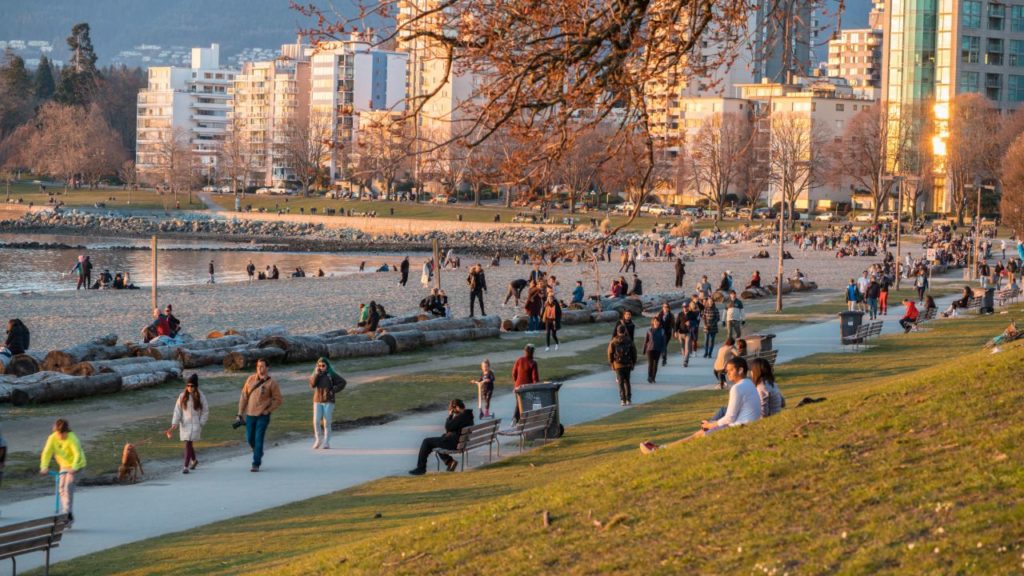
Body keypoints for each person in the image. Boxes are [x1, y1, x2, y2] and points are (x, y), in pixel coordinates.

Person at [639, 357, 760, 453]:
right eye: (727, 371)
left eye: (731, 370)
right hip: (746, 425)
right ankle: (661, 448)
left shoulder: (737, 388)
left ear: (740, 370)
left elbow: (730, 418)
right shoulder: (749, 383)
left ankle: (660, 450)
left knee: (699, 435)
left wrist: (710, 425)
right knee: (699, 433)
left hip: (739, 428)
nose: (728, 374)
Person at [235, 359, 283, 472]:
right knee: (249, 437)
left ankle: (256, 463)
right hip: (250, 414)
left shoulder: (272, 383)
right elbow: (244, 396)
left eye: (262, 366)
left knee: (258, 438)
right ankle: (258, 451)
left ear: (267, 368)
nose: (259, 368)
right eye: (258, 366)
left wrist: (268, 410)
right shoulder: (250, 379)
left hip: (263, 415)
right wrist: (239, 413)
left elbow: (278, 400)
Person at [39, 418, 86, 526]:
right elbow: (47, 452)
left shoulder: (72, 439)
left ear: (67, 431)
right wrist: (44, 467)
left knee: (67, 488)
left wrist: (74, 468)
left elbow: (77, 455)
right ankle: (68, 514)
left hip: (77, 465)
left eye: (63, 434)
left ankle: (66, 514)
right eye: (58, 434)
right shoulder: (52, 438)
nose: (60, 436)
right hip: (64, 466)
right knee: (60, 488)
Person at [408, 399, 474, 475]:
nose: (453, 412)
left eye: (453, 409)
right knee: (440, 439)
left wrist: (450, 416)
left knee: (426, 442)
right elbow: (454, 428)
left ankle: (421, 468)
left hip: (455, 444)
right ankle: (450, 462)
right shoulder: (468, 416)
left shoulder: (461, 417)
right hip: (460, 442)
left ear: (457, 407)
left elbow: (448, 427)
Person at [165, 374, 209, 474]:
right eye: (188, 385)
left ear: (196, 386)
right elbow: (177, 411)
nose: (189, 388)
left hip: (195, 424)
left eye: (192, 386)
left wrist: (201, 422)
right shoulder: (182, 396)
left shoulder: (201, 397)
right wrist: (174, 423)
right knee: (188, 443)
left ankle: (185, 466)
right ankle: (194, 461)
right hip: (185, 424)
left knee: (188, 444)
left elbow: (205, 410)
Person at [309, 357, 346, 450]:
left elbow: (343, 382)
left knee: (326, 422)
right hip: (317, 401)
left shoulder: (331, 374)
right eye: (319, 365)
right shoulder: (315, 374)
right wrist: (316, 373)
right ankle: (318, 440)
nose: (321, 367)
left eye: (323, 365)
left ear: (327, 366)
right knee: (316, 421)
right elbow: (312, 384)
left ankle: (326, 442)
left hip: (328, 401)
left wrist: (333, 390)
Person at [608, 324, 637, 406]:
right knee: (627, 382)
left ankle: (622, 400)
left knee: (620, 382)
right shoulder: (629, 340)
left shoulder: (613, 341)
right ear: (625, 332)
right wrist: (633, 363)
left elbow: (610, 353)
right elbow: (634, 353)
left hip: (618, 365)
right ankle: (629, 399)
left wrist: (612, 363)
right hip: (627, 364)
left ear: (617, 332)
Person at [511, 344, 539, 422]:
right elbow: (535, 378)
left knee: (518, 403)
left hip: (518, 386)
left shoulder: (519, 360)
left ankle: (515, 418)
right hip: (528, 387)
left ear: (525, 351)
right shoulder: (533, 363)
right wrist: (536, 387)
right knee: (528, 403)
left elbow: (514, 373)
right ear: (533, 352)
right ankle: (524, 419)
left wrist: (516, 382)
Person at [676, 301, 700, 367]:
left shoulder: (692, 314)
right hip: (681, 333)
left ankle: (685, 361)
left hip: (688, 333)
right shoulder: (680, 314)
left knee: (687, 348)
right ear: (682, 308)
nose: (685, 308)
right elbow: (677, 323)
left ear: (688, 307)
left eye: (686, 307)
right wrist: (675, 331)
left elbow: (696, 323)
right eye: (683, 307)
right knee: (682, 348)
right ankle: (685, 358)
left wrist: (691, 322)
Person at [643, 317, 667, 383]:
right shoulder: (649, 330)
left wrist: (663, 351)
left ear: (659, 323)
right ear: (653, 322)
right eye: (655, 321)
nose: (656, 322)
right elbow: (646, 340)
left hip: (658, 349)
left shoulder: (662, 331)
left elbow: (663, 342)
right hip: (650, 349)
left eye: (657, 321)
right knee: (650, 364)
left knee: (655, 364)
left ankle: (653, 377)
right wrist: (644, 349)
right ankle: (649, 377)